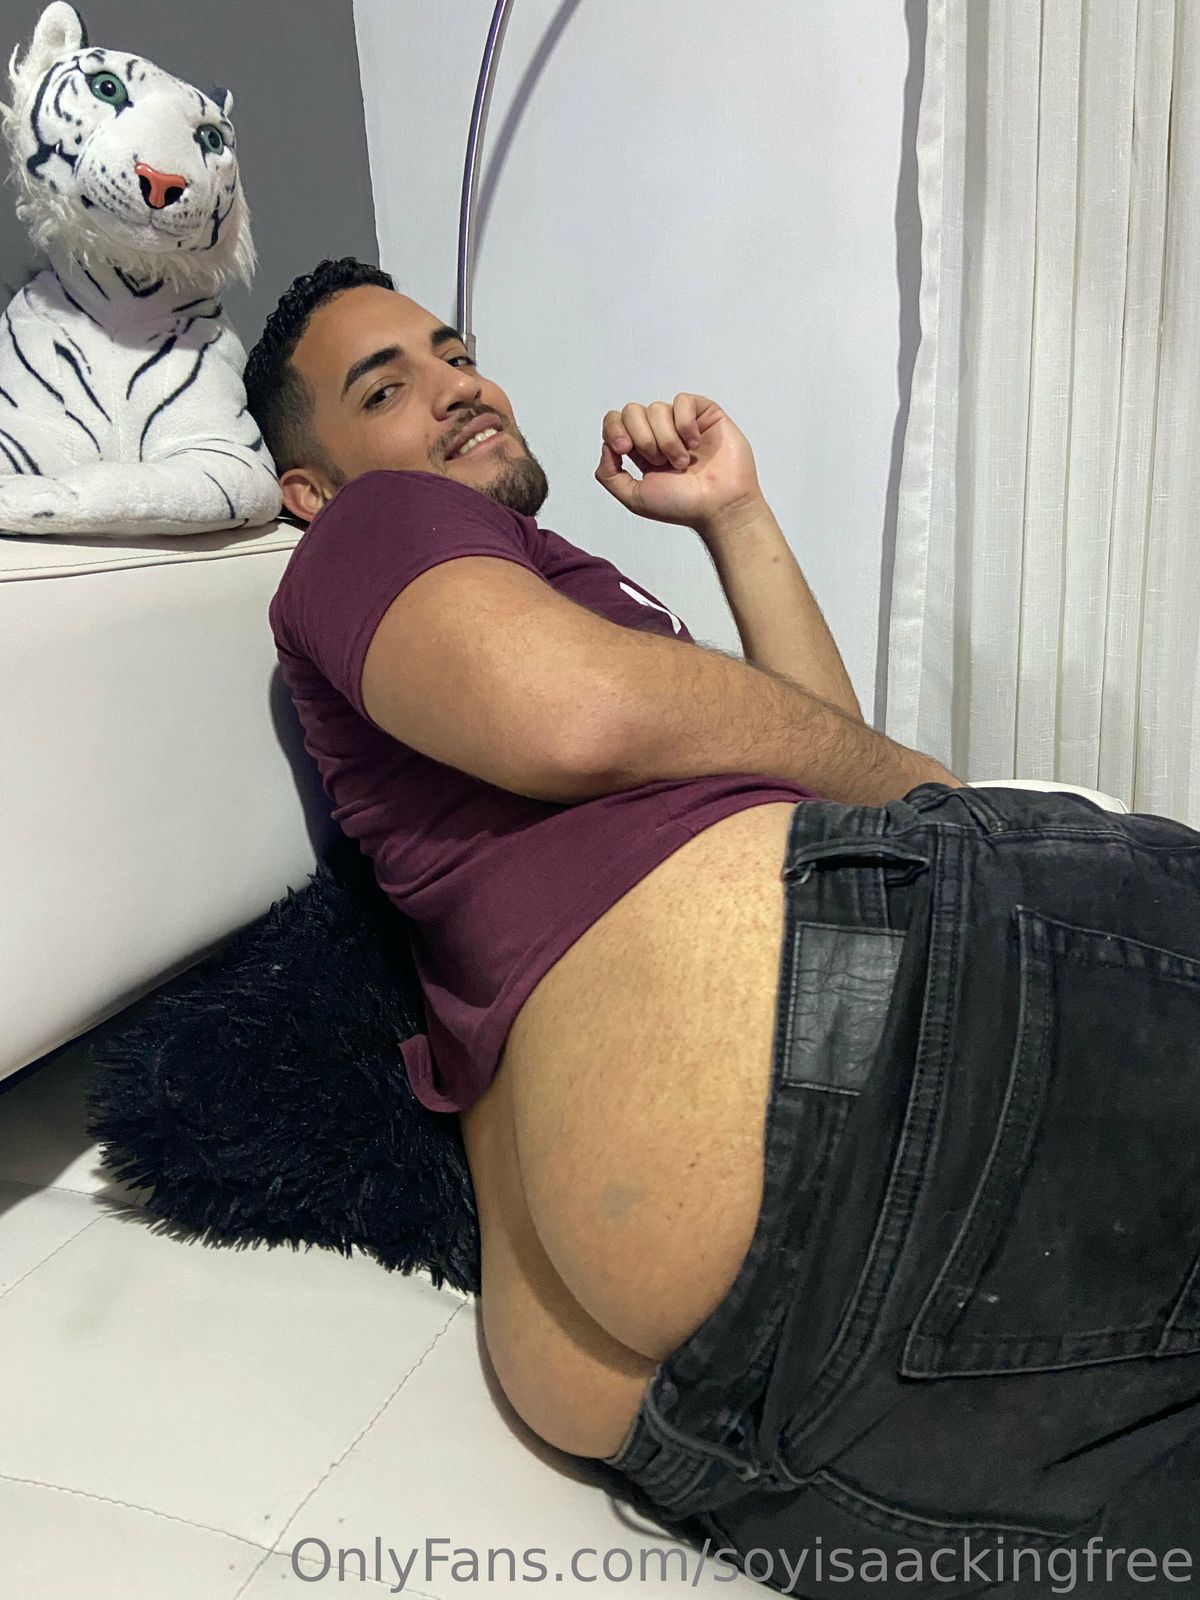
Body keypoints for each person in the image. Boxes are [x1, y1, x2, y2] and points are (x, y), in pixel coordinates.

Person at [246, 258, 1200, 1595]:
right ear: (311, 489)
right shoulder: (377, 524)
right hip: (835, 1066)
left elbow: (817, 766)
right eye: (384, 389)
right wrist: (947, 802)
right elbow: (580, 716)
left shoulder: (537, 586)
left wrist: (733, 513)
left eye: (454, 353)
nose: (455, 386)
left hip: (719, 1378)